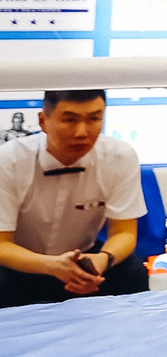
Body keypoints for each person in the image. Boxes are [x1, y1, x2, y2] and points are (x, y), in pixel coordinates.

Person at [0, 90, 144, 307]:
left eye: (94, 119)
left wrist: (102, 260)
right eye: (70, 120)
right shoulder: (8, 161)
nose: (81, 132)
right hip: (19, 264)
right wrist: (50, 265)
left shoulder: (120, 157)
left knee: (133, 272)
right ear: (43, 121)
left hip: (84, 259)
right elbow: (2, 243)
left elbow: (124, 232)